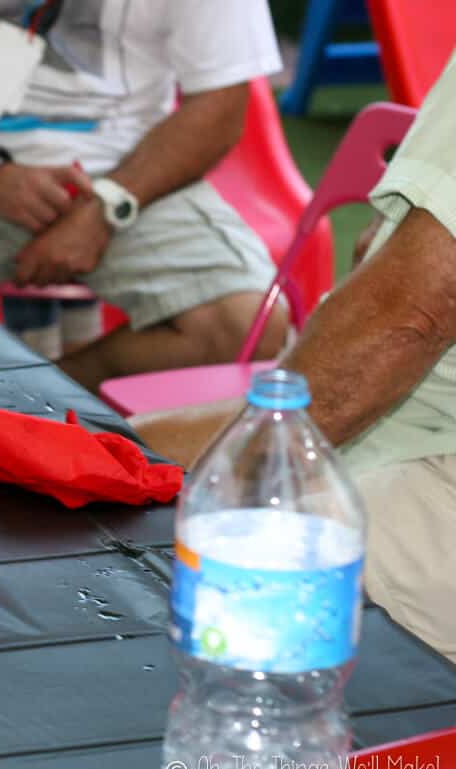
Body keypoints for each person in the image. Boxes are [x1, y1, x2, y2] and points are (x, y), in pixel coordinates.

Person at [134, 52, 456, 663]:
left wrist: (202, 484)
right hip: (405, 426)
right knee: (119, 469)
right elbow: (391, 263)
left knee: (149, 572)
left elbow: (409, 321)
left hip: (430, 466)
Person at [0, 0, 288, 391]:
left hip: (135, 174)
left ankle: (56, 387)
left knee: (251, 325)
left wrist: (108, 206)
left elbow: (222, 104)